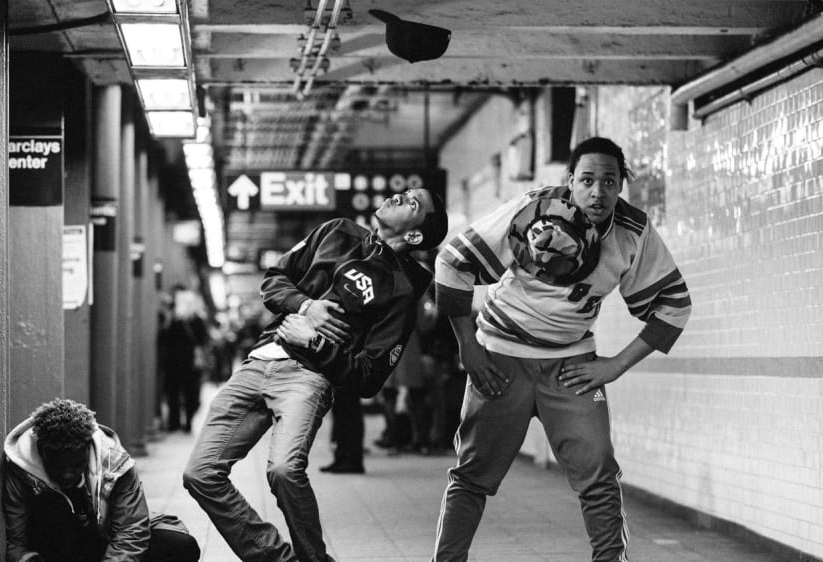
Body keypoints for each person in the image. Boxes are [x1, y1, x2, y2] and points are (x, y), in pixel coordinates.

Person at [431, 137, 691, 561]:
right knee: (472, 475)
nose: (598, 191)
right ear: (570, 181)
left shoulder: (632, 232)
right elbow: (453, 263)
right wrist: (468, 348)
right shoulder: (531, 209)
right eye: (587, 179)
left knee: (600, 474)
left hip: (571, 366)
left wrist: (614, 367)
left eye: (609, 181)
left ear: (621, 186)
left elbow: (675, 305)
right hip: (500, 358)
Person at [183, 189, 449, 562]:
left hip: (307, 377)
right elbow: (274, 280)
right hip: (259, 361)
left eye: (412, 202)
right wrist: (306, 305)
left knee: (283, 470)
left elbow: (370, 377)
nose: (397, 196)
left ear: (415, 235)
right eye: (403, 193)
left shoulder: (403, 291)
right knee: (200, 473)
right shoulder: (336, 231)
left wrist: (316, 343)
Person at [3, 398, 200, 562]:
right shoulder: (21, 468)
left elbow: (131, 530)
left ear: (87, 451)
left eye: (76, 465)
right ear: (42, 452)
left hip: (102, 538)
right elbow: (17, 543)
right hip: (55, 545)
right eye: (58, 466)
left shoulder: (115, 463)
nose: (67, 474)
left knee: (182, 546)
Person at [159, 286, 208, 432]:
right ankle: (188, 422)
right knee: (191, 393)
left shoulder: (173, 321)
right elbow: (204, 340)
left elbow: (164, 340)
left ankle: (174, 423)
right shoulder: (198, 320)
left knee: (173, 392)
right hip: (191, 363)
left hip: (173, 363)